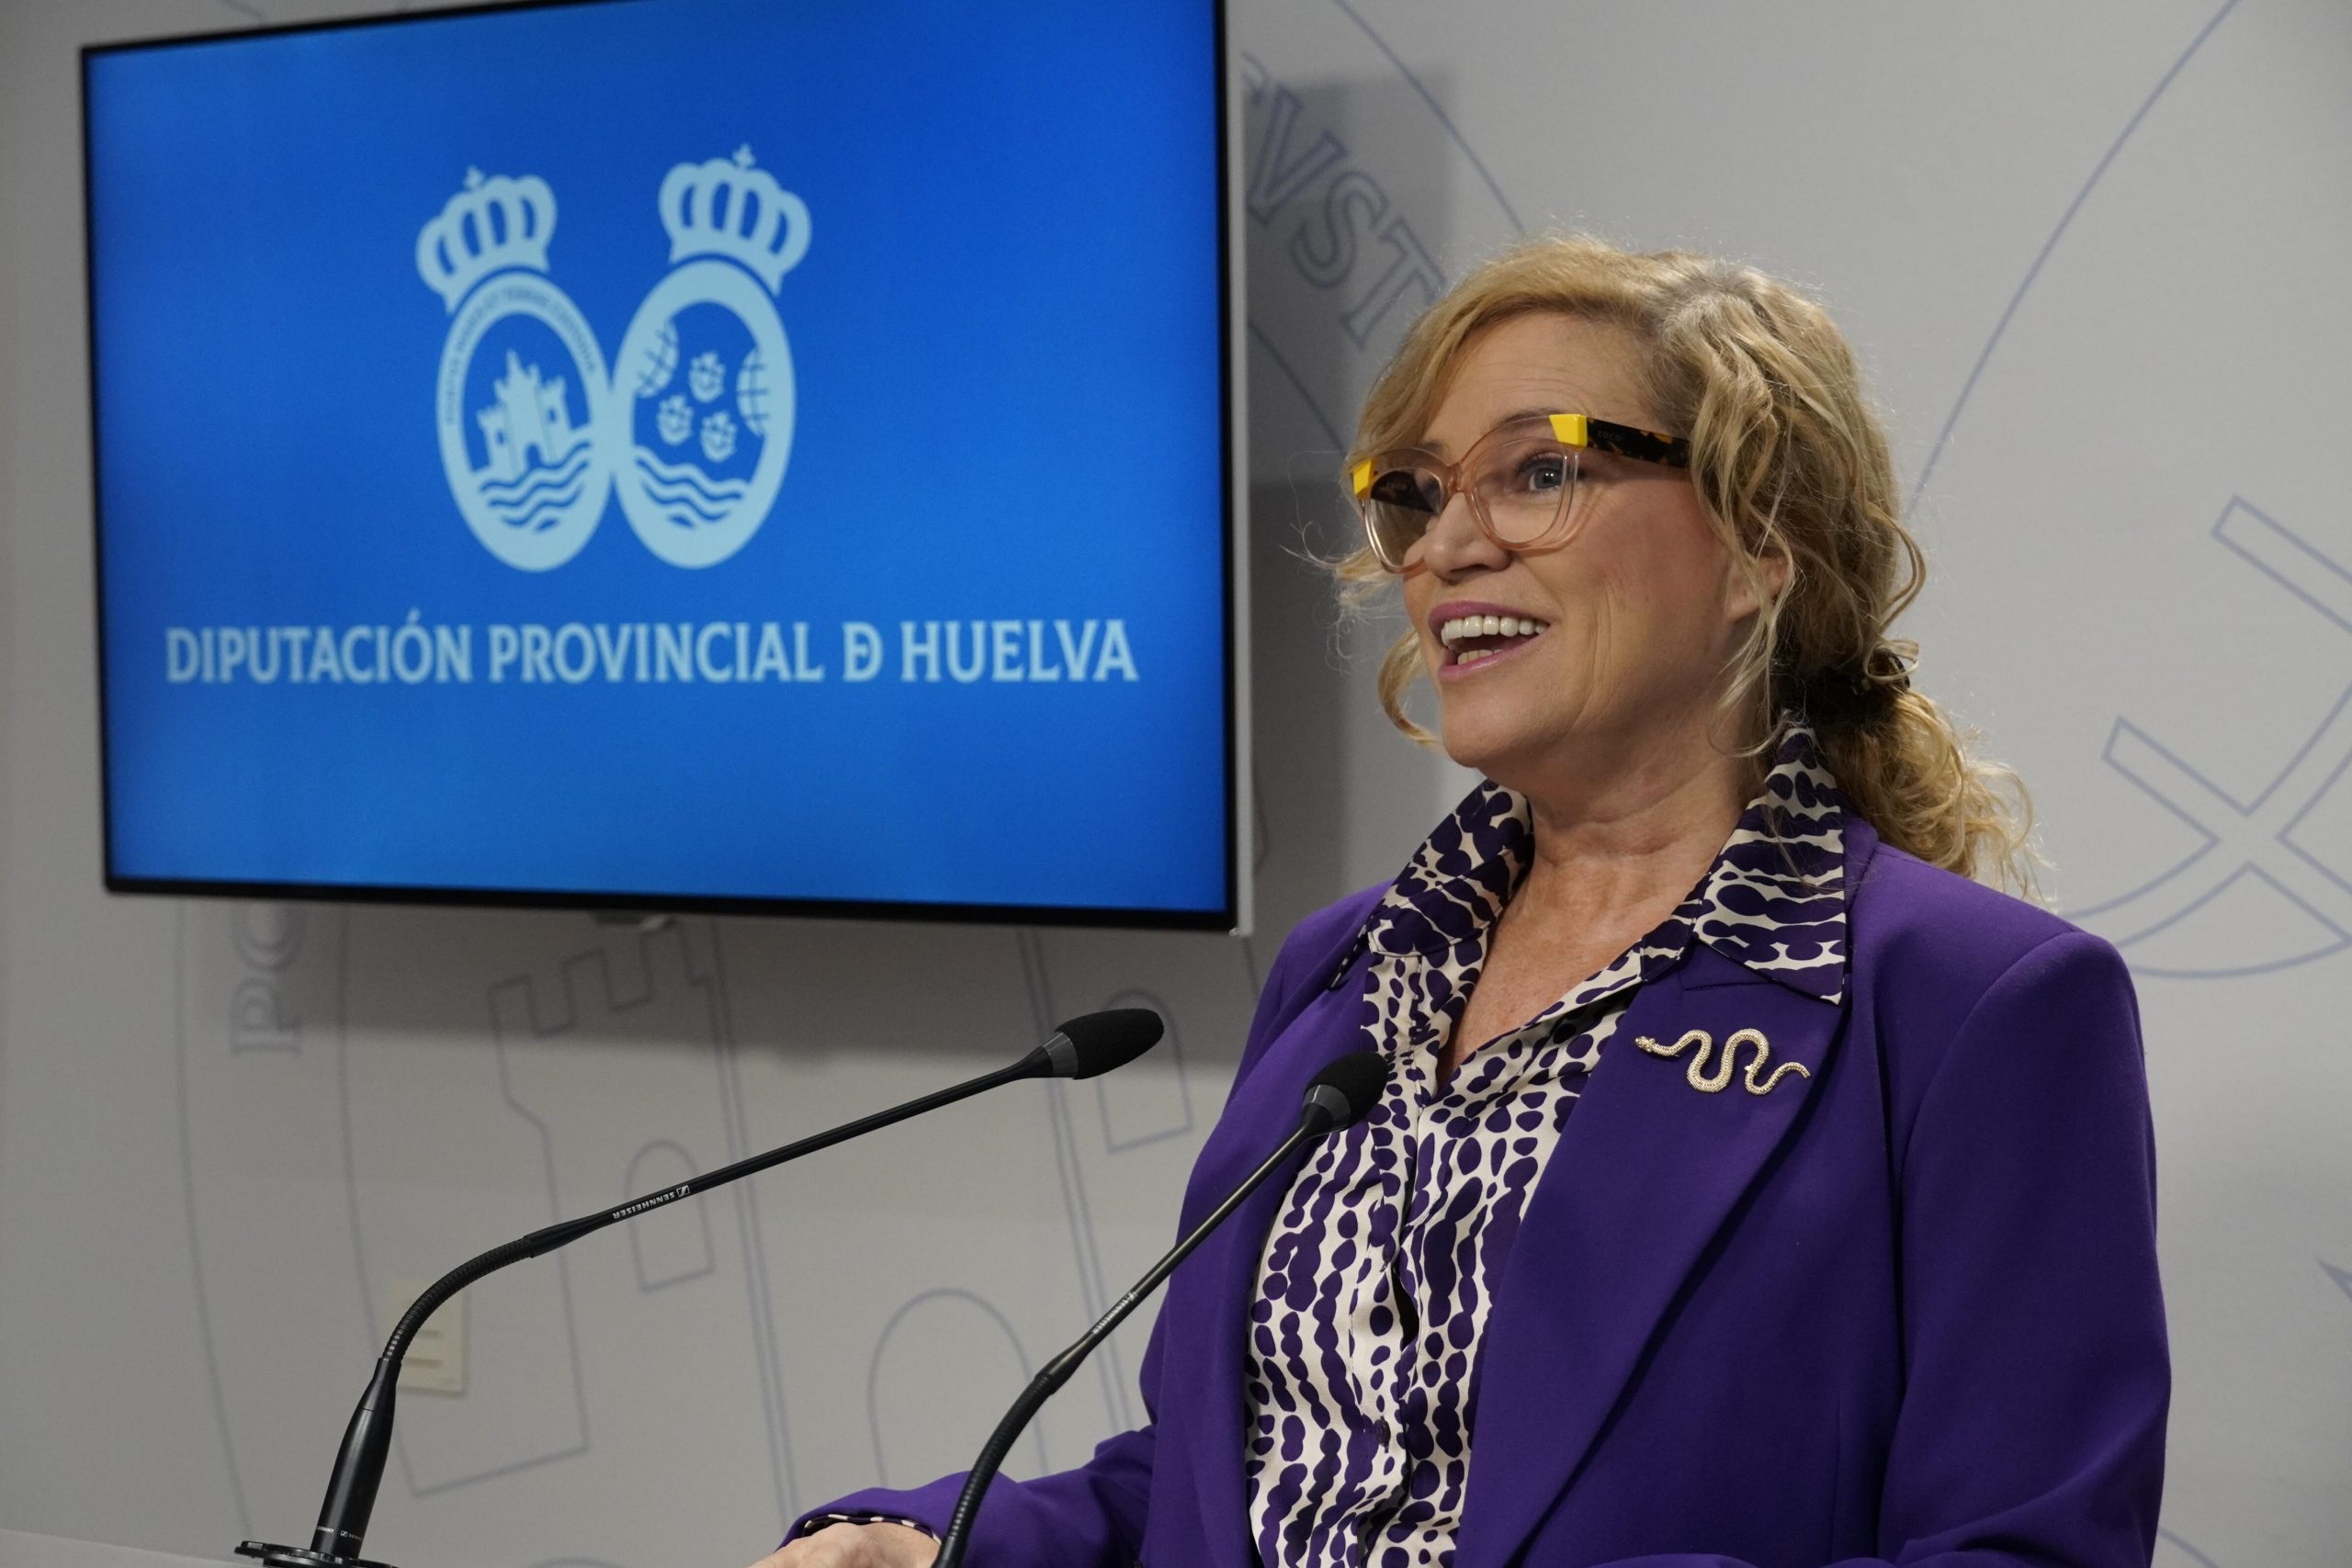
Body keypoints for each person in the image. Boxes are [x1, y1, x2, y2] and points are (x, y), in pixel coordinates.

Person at [754, 234, 2168, 1568]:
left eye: (1536, 473)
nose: (1443, 548)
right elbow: (1215, 1480)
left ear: (1757, 547)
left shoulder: (1974, 1009)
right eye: (1421, 494)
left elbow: (2023, 1550)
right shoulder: (1347, 971)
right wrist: (938, 1540)